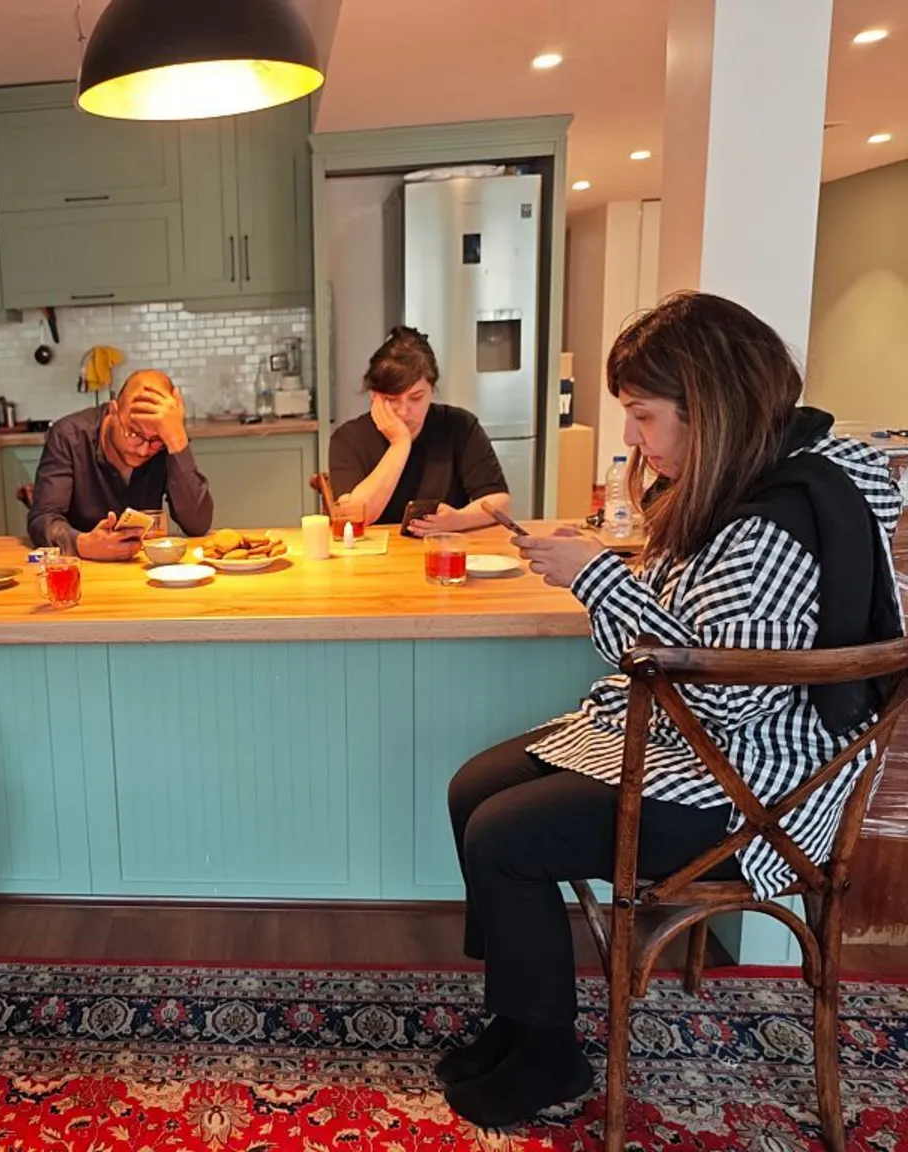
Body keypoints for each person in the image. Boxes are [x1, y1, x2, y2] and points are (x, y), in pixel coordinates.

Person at [442, 292, 904, 1129]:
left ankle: (547, 1052)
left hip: (753, 794)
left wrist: (596, 579)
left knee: (500, 837)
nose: (630, 437)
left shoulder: (774, 524)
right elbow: (704, 647)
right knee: (474, 786)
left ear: (710, 409)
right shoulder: (757, 482)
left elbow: (718, 693)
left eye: (641, 415)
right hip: (715, 751)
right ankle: (518, 1013)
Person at [328, 326, 511, 534]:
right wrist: (399, 444)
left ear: (431, 390)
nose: (404, 411)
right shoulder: (348, 438)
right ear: (374, 396)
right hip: (373, 560)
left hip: (442, 552)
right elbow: (355, 518)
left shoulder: (460, 425)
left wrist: (459, 519)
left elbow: (500, 501)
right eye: (391, 399)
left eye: (416, 398)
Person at [28, 369, 213, 560]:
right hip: (82, 568)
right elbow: (43, 519)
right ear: (114, 411)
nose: (143, 451)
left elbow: (197, 524)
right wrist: (82, 544)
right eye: (133, 434)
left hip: (145, 567)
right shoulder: (68, 436)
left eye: (155, 440)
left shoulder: (168, 438)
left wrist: (177, 438)